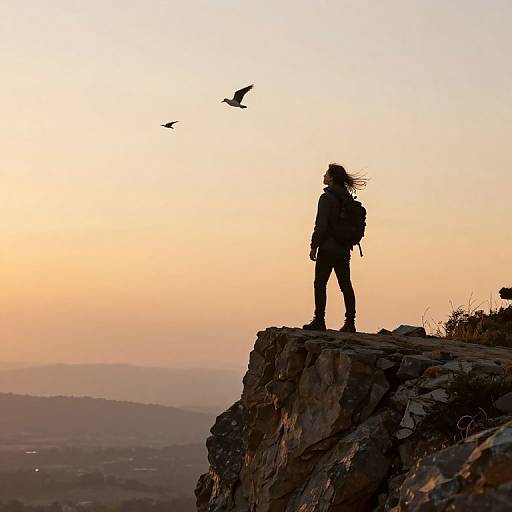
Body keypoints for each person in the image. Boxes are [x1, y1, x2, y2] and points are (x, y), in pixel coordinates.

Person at [303, 163, 367, 332]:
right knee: (345, 284)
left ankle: (319, 320)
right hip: (344, 248)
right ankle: (350, 322)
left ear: (331, 178)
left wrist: (313, 245)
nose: (323, 176)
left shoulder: (327, 198)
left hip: (328, 247)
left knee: (320, 283)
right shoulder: (346, 197)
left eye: (326, 173)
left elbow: (321, 225)